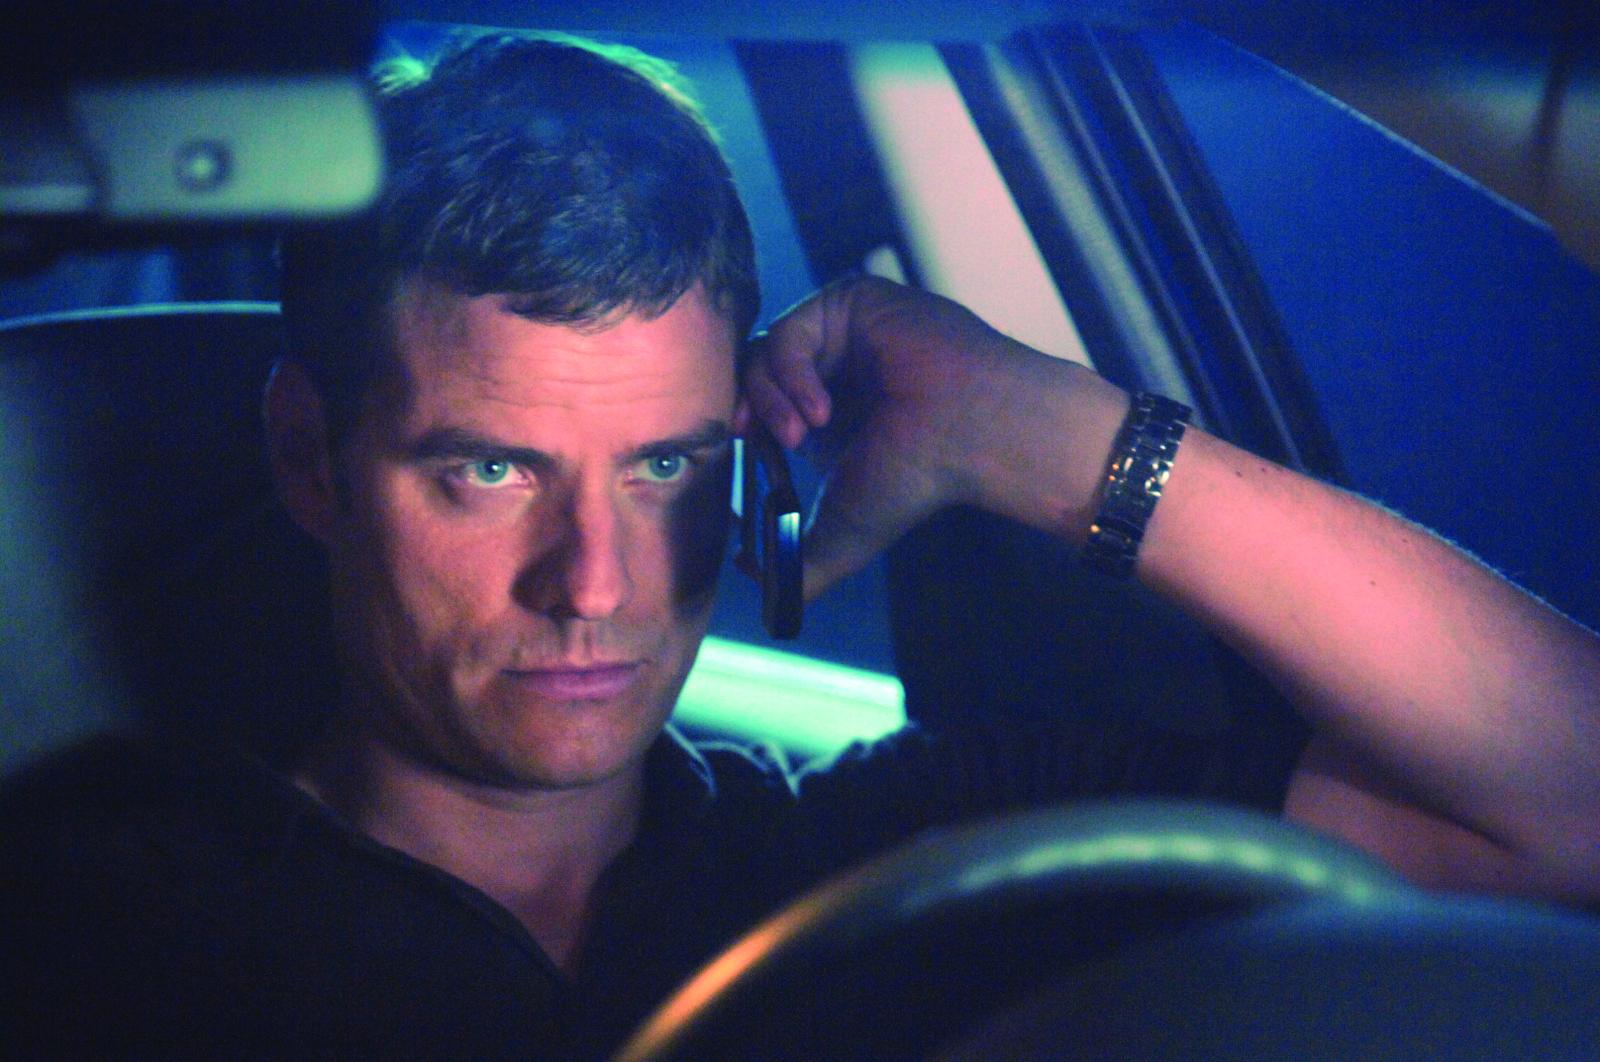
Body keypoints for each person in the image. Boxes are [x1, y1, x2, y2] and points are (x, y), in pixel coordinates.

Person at [4, 29, 1599, 1059]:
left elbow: (1570, 804)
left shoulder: (913, 858)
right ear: (311, 457)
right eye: (487, 469)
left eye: (667, 465)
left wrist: (1039, 432)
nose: (597, 582)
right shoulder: (100, 912)